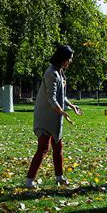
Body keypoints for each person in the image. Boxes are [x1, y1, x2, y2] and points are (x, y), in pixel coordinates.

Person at [25, 44, 82, 189]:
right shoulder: (51, 73)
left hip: (55, 115)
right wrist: (62, 112)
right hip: (46, 116)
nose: (71, 62)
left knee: (58, 146)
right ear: (63, 59)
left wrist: (72, 106)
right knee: (44, 148)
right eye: (70, 59)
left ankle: (59, 177)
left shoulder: (60, 72)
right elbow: (51, 98)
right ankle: (29, 180)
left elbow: (61, 95)